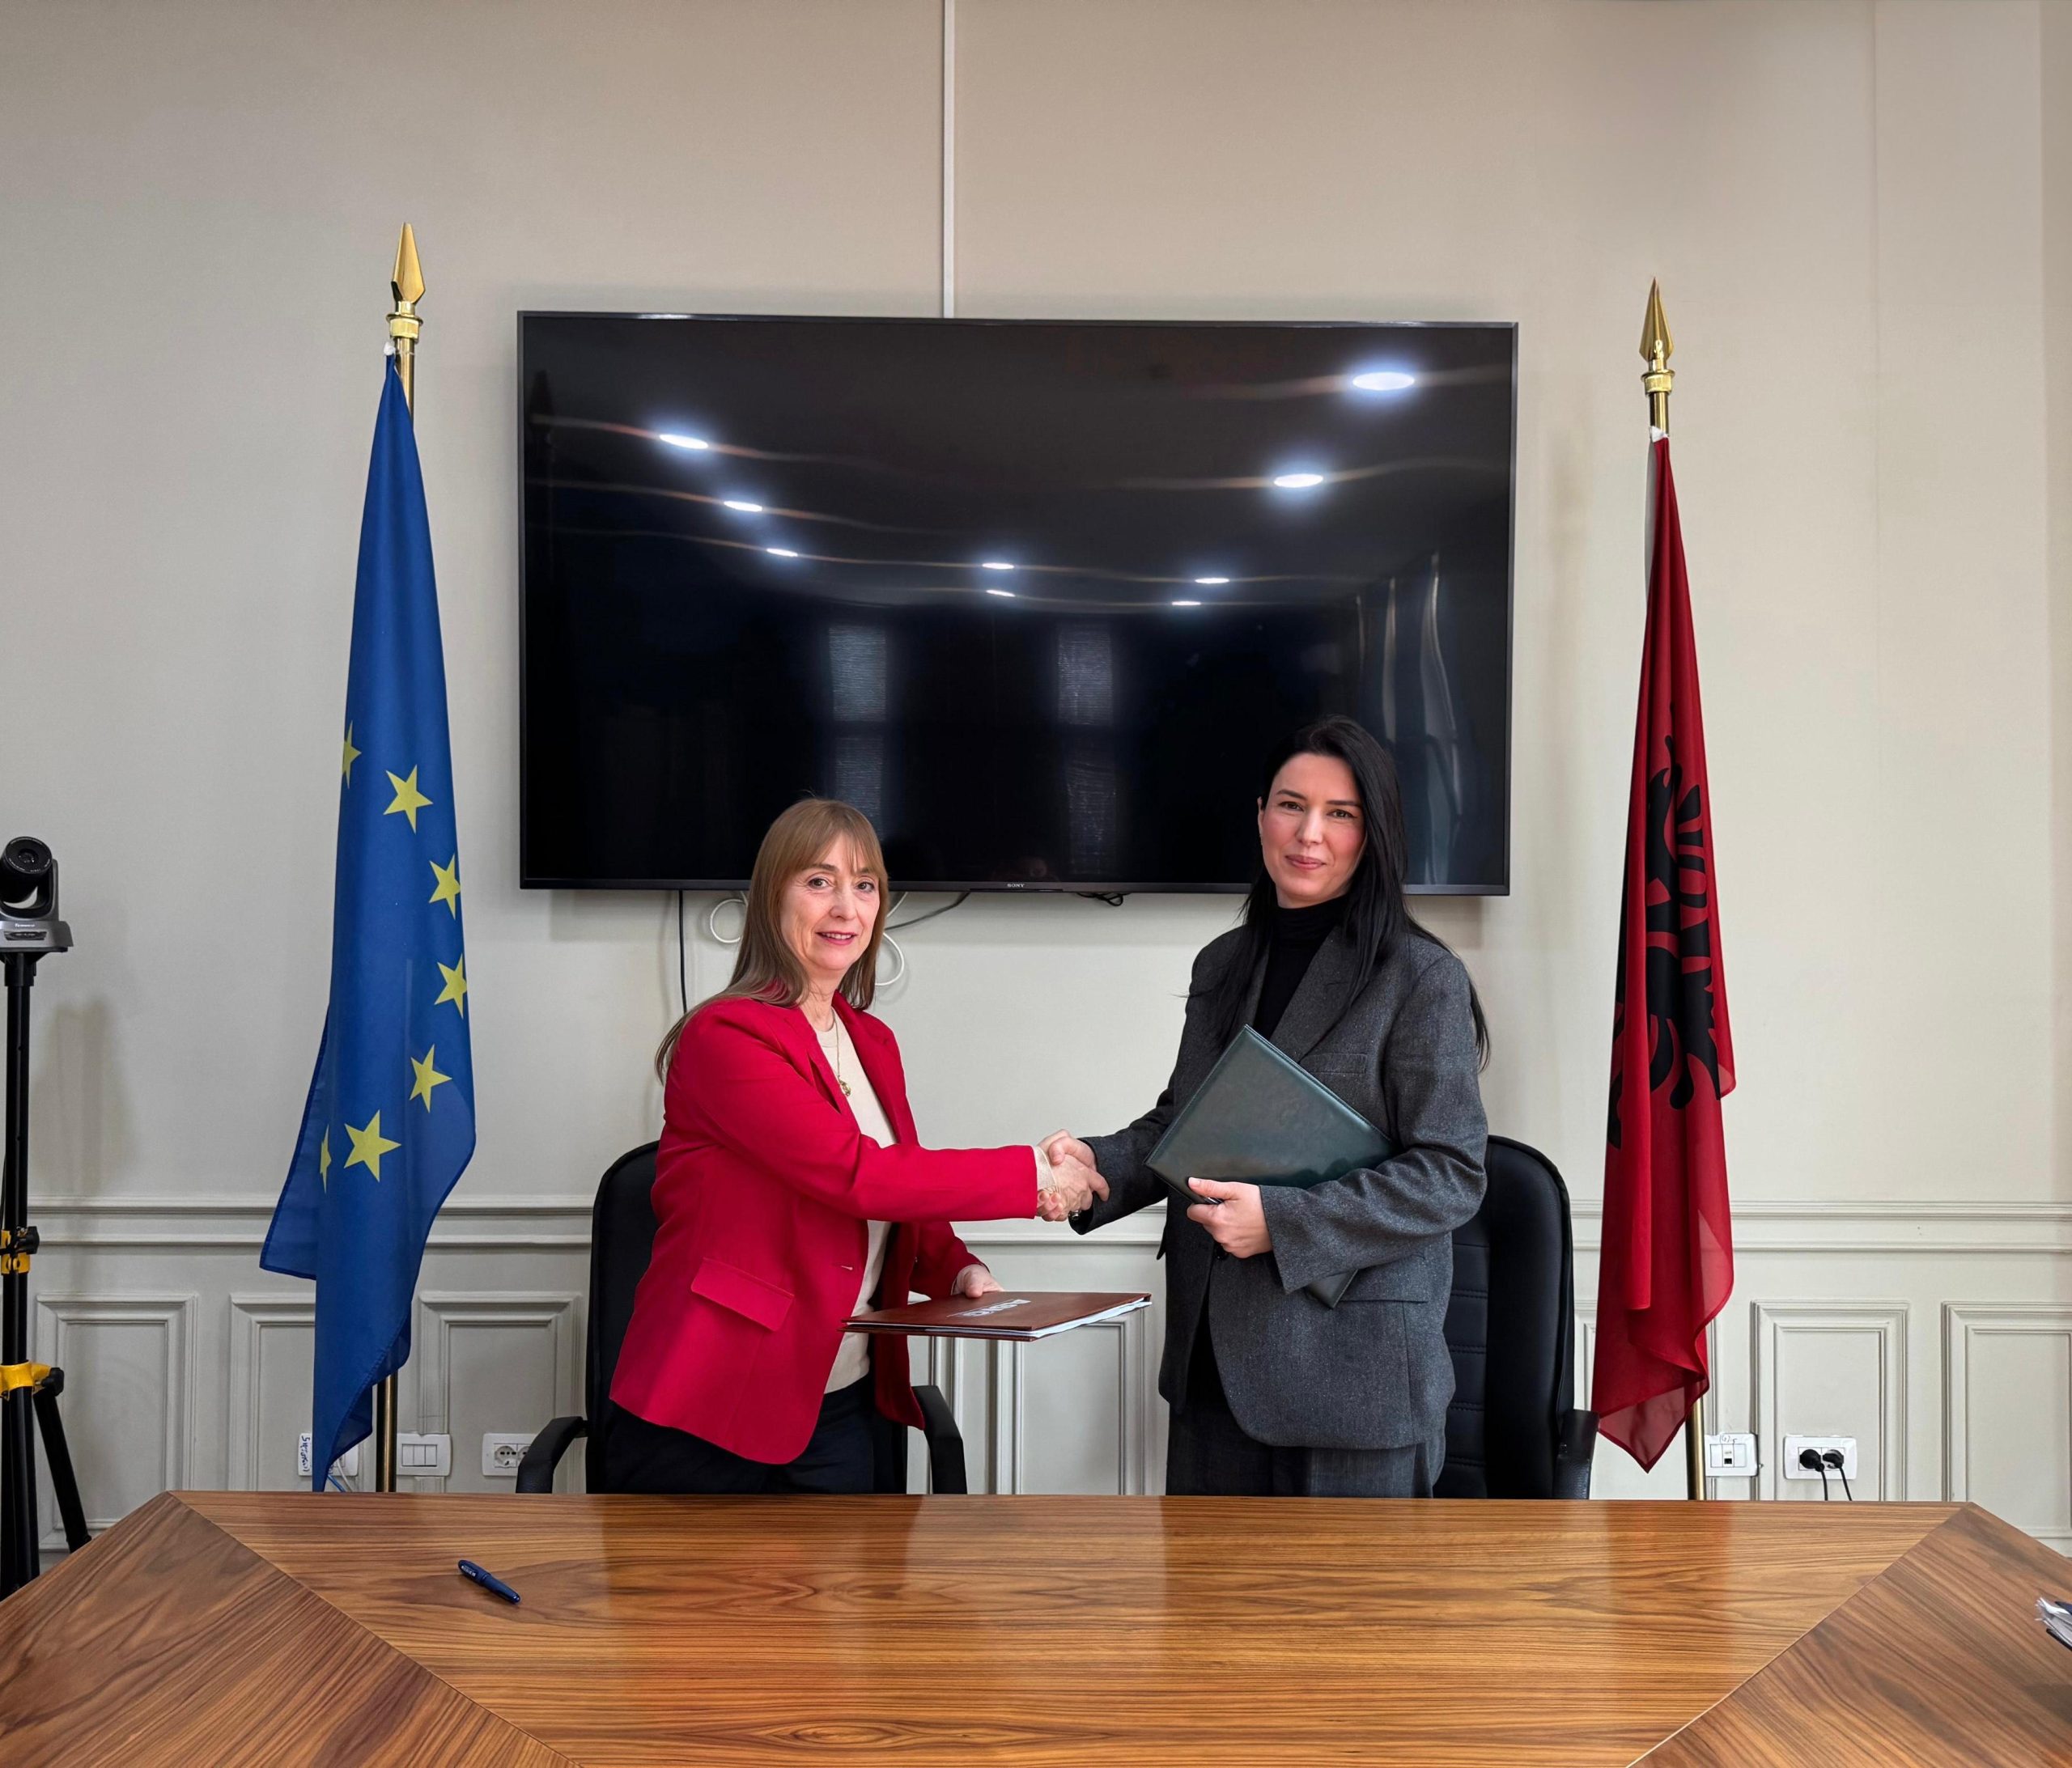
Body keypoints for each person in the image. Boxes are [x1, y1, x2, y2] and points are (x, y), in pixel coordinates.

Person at [610, 798, 1106, 1493]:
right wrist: (1034, 1175)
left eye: (865, 884)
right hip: (713, 1400)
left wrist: (958, 1269)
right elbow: (858, 1174)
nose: (846, 907)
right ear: (773, 896)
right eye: (819, 881)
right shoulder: (727, 1036)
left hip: (842, 1398)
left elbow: (901, 1197)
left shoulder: (871, 1040)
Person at [1047, 717, 1488, 1497]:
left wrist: (1284, 1222)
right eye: (1291, 805)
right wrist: (1097, 1165)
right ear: (1260, 816)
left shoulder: (1420, 976)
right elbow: (1188, 1121)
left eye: (1340, 813)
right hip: (1211, 1369)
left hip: (1353, 1386)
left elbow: (1450, 1173)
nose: (1309, 833)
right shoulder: (1222, 963)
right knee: (1206, 1585)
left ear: (1372, 833)